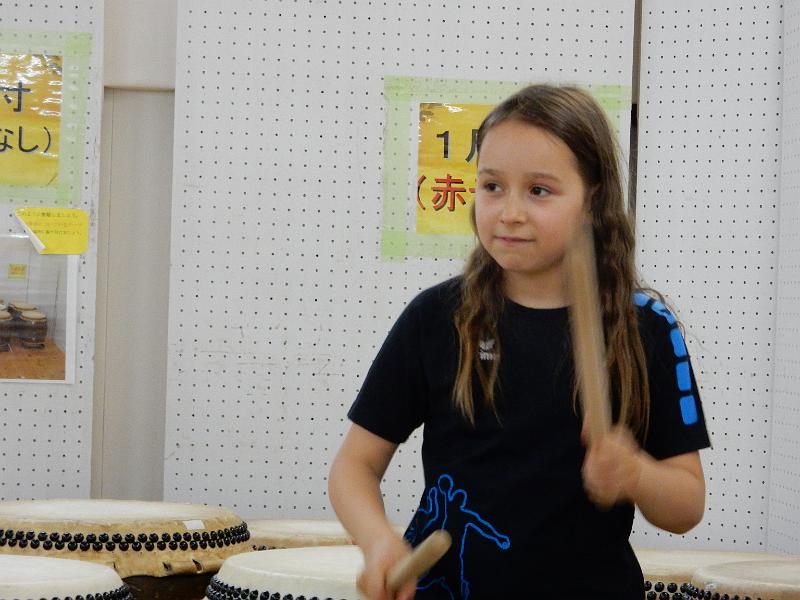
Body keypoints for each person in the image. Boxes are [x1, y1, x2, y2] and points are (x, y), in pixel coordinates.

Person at [328, 84, 710, 600]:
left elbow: (685, 507)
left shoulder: (645, 327)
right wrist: (377, 542)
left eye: (539, 190)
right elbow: (355, 465)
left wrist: (635, 473)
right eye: (491, 187)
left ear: (592, 200)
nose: (509, 212)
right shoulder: (440, 317)